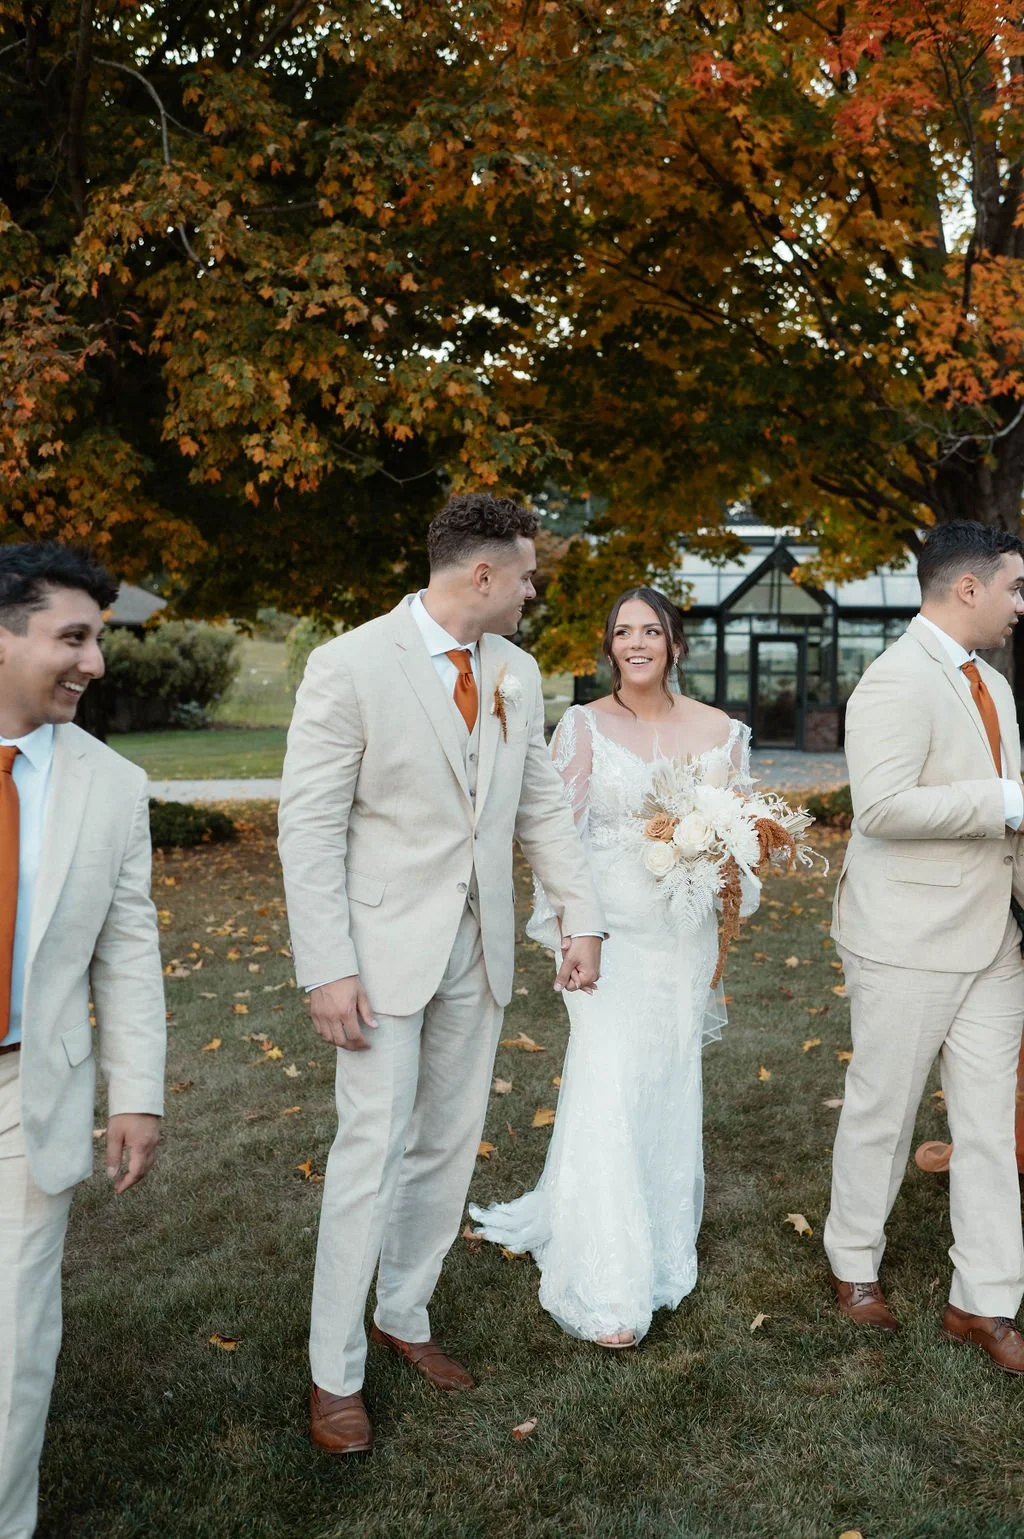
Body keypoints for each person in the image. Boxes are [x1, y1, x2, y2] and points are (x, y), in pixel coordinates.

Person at [278, 493, 605, 1456]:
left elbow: (541, 807)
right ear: (481, 576)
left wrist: (578, 918)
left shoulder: (515, 668)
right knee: (369, 1152)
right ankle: (333, 1372)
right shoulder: (347, 664)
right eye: (527, 573)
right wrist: (326, 965)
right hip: (378, 957)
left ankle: (404, 1314)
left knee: (449, 1146)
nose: (534, 588)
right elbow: (308, 826)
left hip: (482, 947)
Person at [470, 587, 753, 1347]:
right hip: (608, 935)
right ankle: (606, 1280)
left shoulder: (722, 732)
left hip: (680, 938)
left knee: (663, 1081)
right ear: (608, 644)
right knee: (606, 1079)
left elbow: (743, 841)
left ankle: (659, 1241)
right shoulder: (587, 725)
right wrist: (574, 929)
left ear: (674, 642)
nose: (636, 642)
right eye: (622, 630)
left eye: (650, 630)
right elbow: (555, 836)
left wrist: (716, 861)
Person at [825, 520, 1024, 1371]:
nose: (1021, 604)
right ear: (968, 588)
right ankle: (852, 1262)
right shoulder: (893, 681)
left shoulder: (996, 685)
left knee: (987, 1125)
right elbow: (883, 808)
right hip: (904, 938)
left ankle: (984, 1301)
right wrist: (1005, 799)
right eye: (1013, 587)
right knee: (885, 1106)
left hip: (995, 939)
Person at [0, 544, 166, 1539]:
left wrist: (136, 1093)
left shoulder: (112, 784)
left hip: (29, 1096)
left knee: (16, 1337)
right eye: (73, 637)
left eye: (97, 639)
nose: (95, 663)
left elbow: (129, 948)